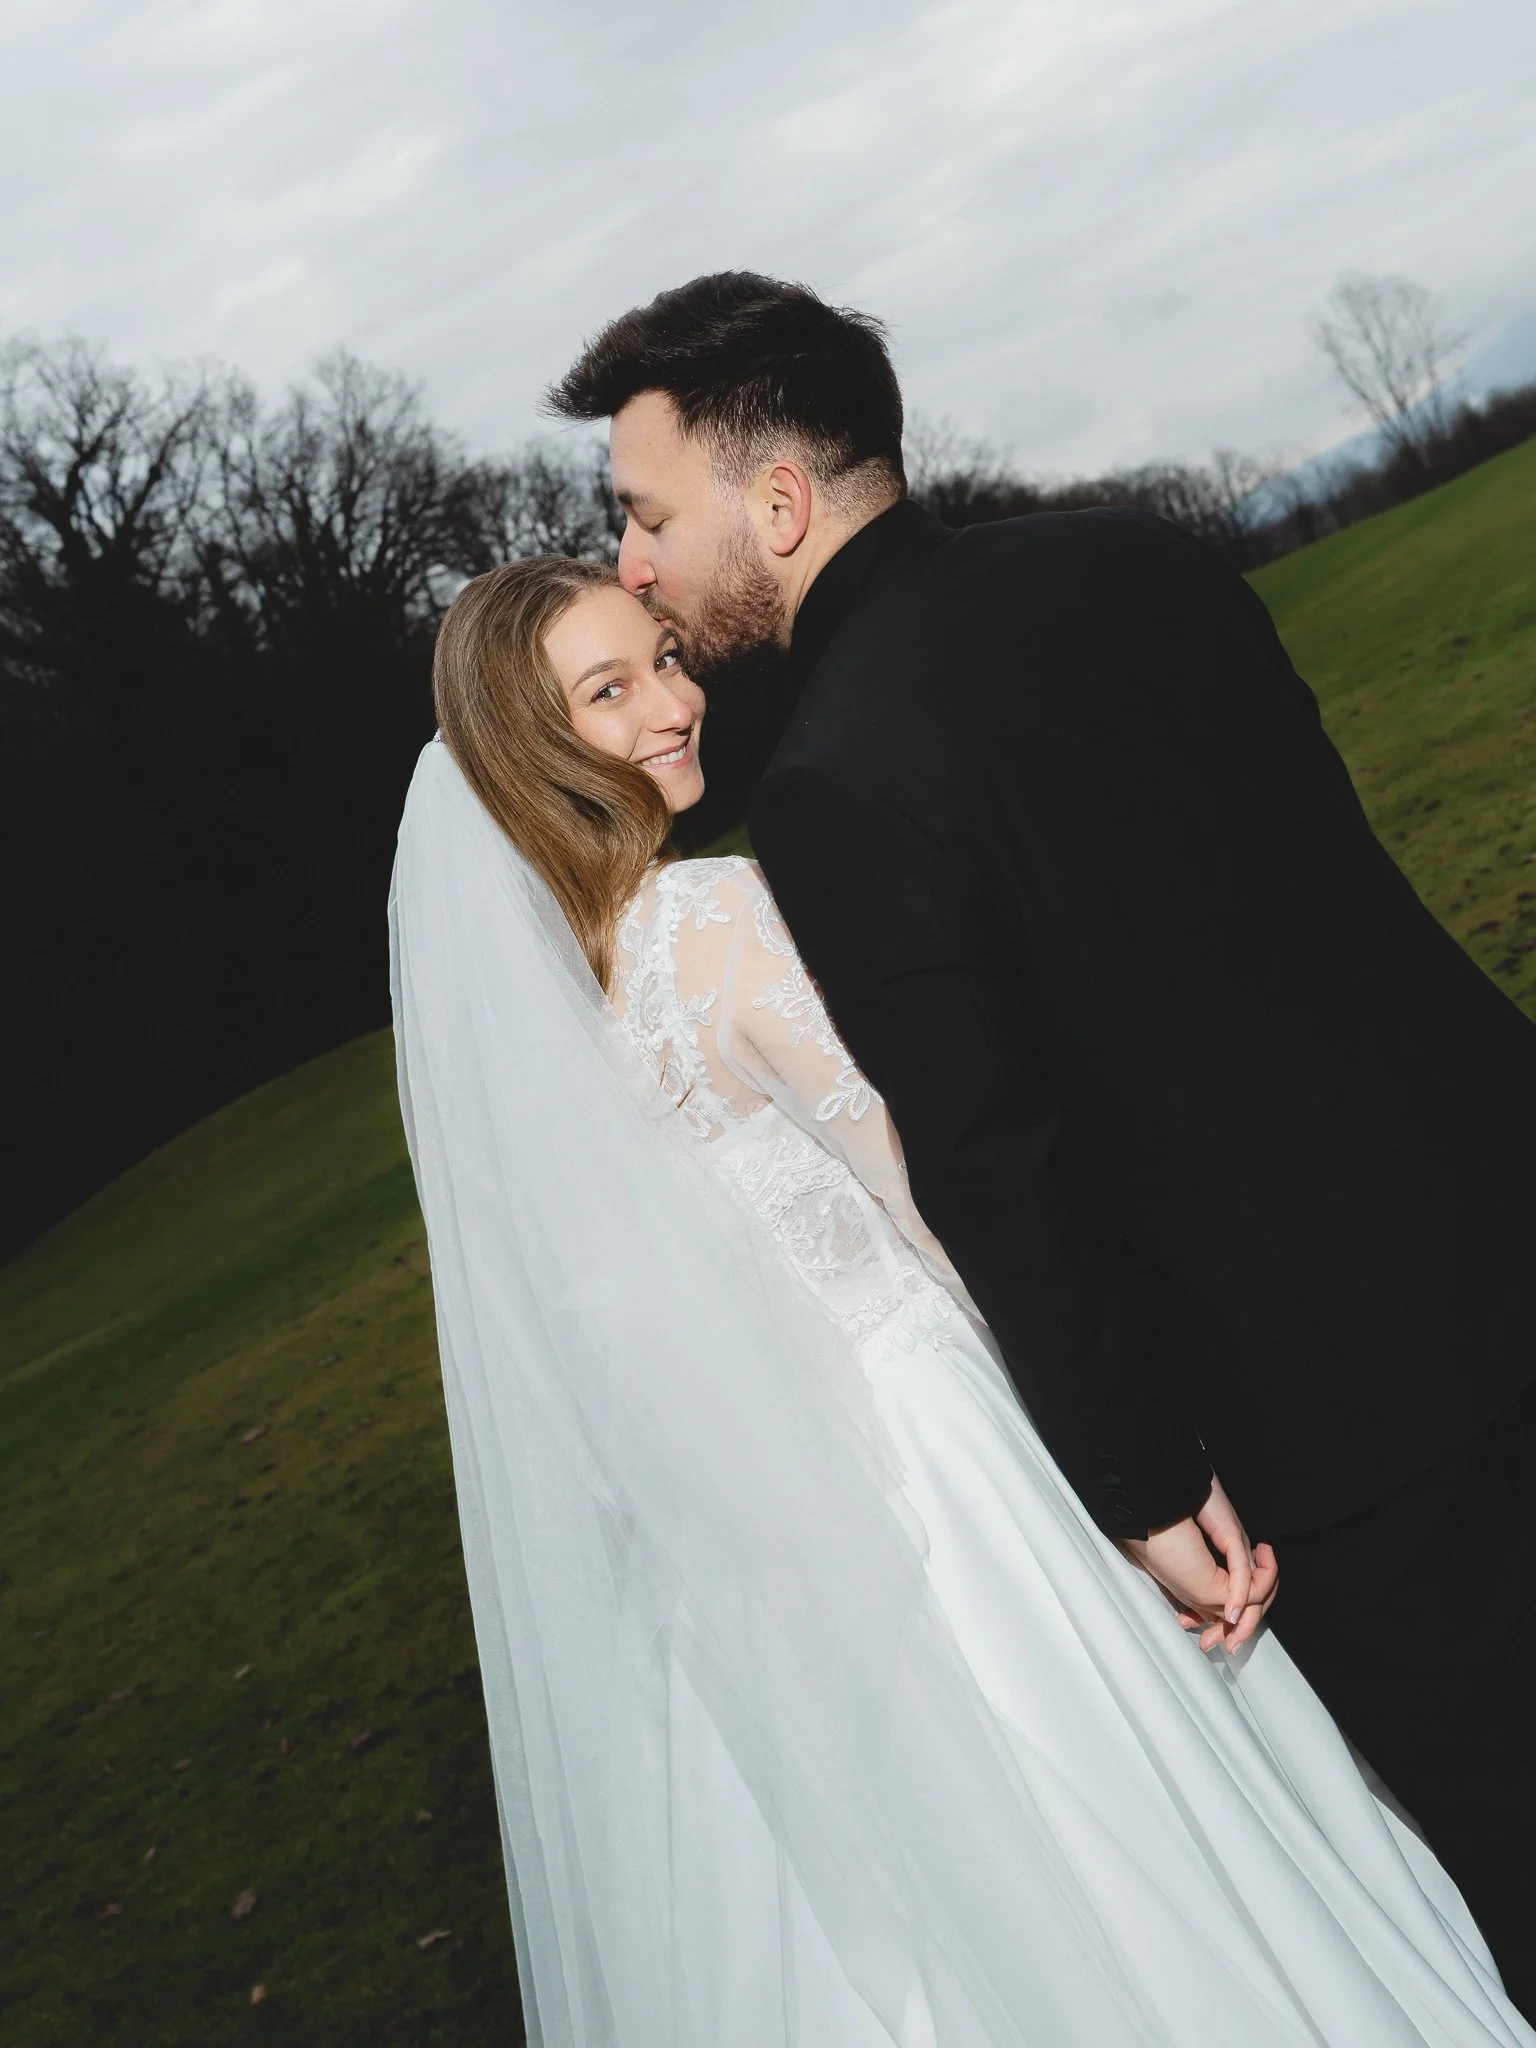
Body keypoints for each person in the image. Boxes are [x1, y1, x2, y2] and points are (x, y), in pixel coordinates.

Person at [546, 274, 1536, 2010]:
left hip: (1341, 1401)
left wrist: (1144, 1482)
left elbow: (1004, 1168)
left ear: (775, 505)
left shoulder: (841, 776)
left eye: (644, 513)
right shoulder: (1141, 563)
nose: (630, 560)